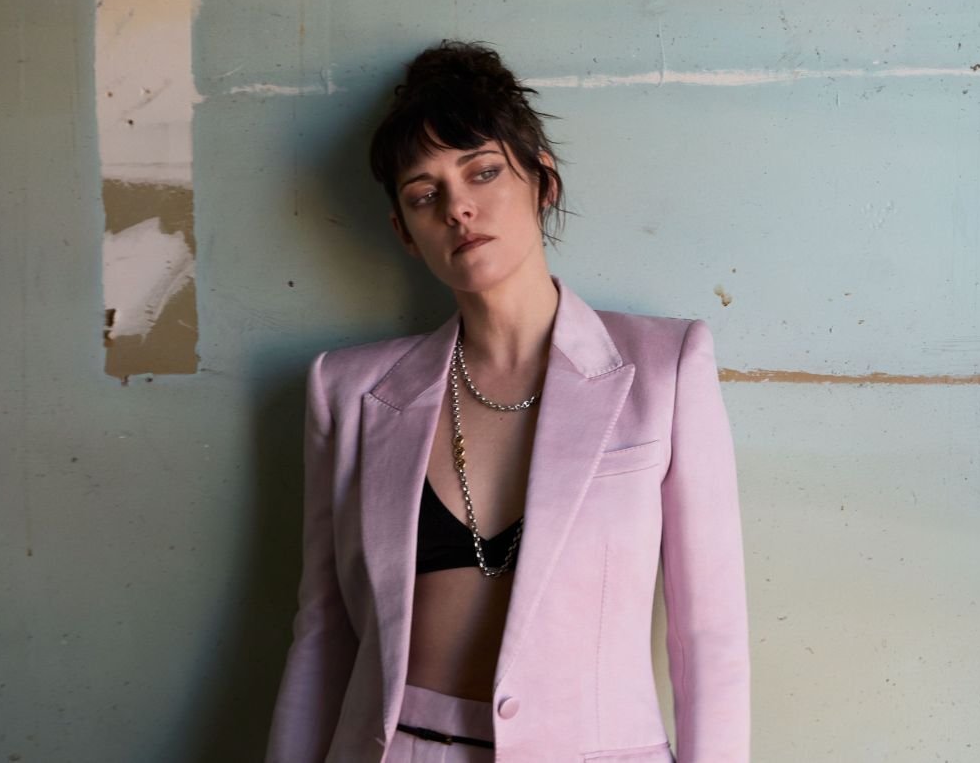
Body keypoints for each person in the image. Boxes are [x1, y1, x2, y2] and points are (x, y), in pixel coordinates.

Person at [265, 40, 750, 762]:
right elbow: (323, 631)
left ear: (542, 179)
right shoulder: (348, 389)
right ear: (404, 232)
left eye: (484, 171)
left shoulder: (665, 367)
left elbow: (709, 634)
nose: (458, 207)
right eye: (423, 194)